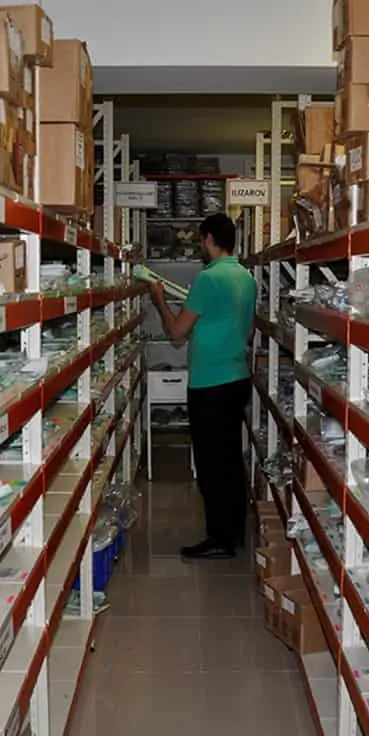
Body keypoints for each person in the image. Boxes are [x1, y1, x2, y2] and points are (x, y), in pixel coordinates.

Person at [150, 213, 257, 559]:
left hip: (210, 383)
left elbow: (176, 332)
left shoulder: (208, 279)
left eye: (201, 239)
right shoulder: (246, 278)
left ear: (209, 239)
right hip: (237, 377)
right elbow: (248, 330)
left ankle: (219, 539)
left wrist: (160, 300)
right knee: (231, 459)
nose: (200, 245)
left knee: (211, 464)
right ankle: (234, 532)